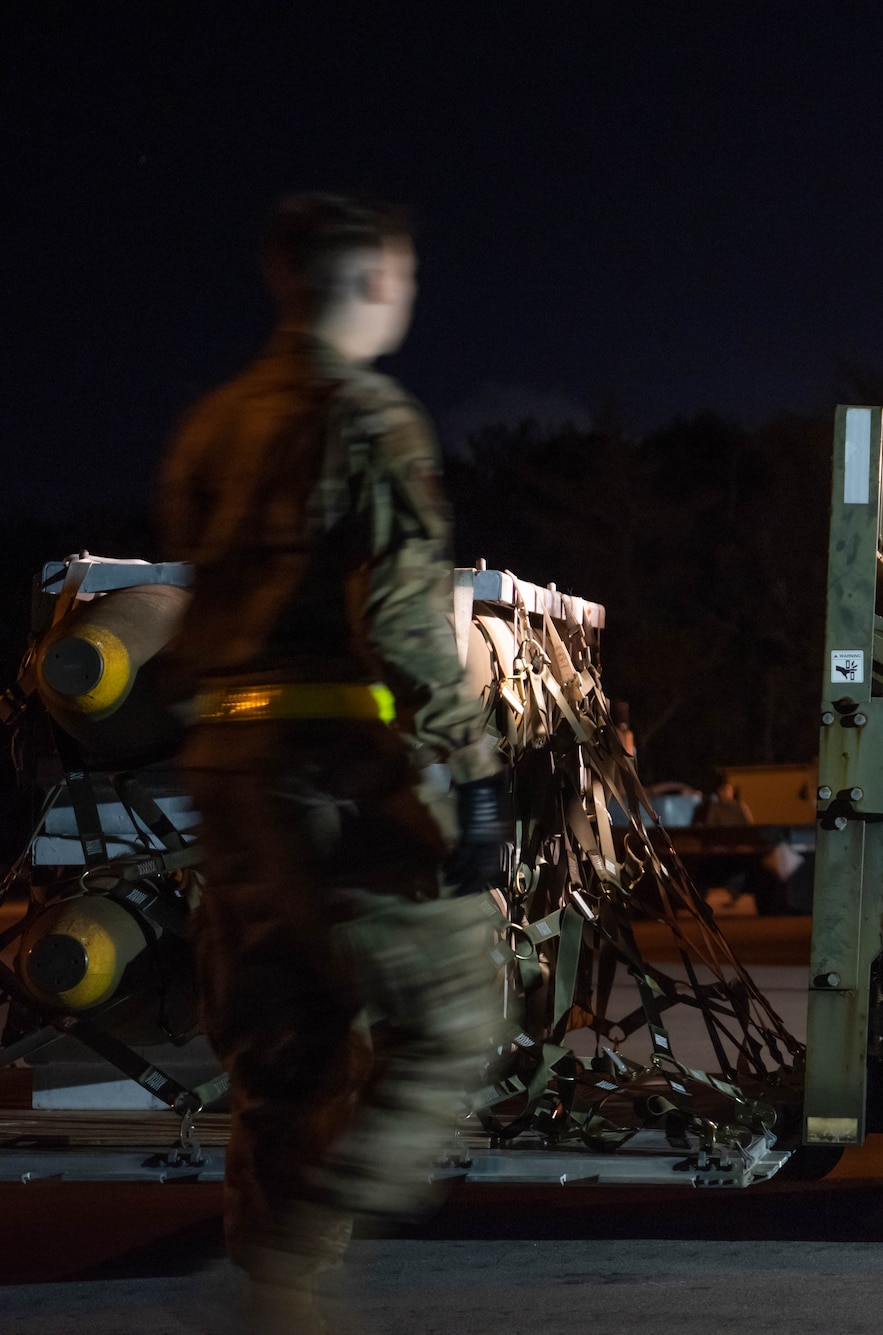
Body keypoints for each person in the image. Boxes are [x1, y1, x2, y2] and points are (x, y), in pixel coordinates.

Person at [156, 194, 509, 1331]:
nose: (408, 294)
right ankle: (299, 1249)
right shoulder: (368, 417)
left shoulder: (213, 424)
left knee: (281, 1061)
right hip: (334, 769)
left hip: (231, 768)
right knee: (454, 1017)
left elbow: (193, 613)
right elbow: (405, 621)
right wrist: (475, 772)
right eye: (401, 275)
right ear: (367, 284)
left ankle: (281, 1301)